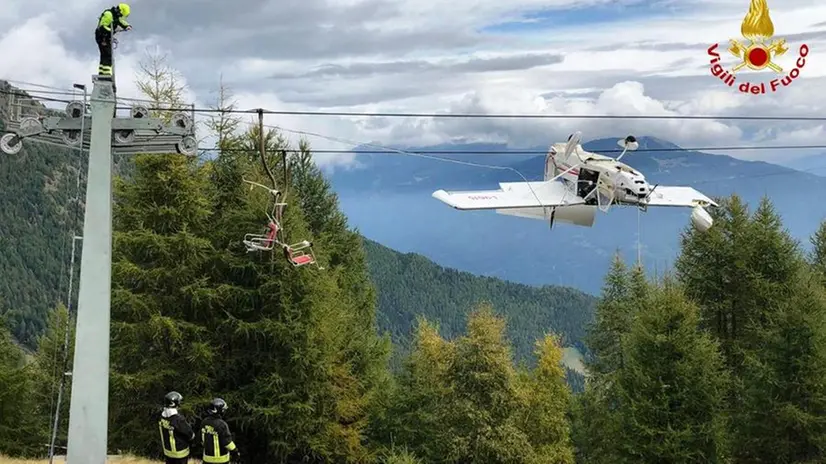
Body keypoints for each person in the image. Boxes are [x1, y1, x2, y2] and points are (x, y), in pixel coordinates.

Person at [94, 3, 132, 78]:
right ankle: (106, 75)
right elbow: (103, 27)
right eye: (121, 15)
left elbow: (120, 21)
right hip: (102, 37)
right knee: (107, 55)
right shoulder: (109, 14)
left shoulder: (115, 16)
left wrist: (127, 26)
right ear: (120, 11)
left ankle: (102, 74)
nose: (121, 16)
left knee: (105, 56)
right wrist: (112, 31)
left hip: (106, 37)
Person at [158, 391, 195, 464]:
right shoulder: (178, 419)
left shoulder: (162, 417)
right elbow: (190, 434)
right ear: (174, 403)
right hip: (180, 454)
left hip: (168, 453)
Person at [200, 398, 240, 463]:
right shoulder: (222, 425)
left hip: (206, 459)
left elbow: (201, 440)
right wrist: (235, 452)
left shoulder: (204, 422)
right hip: (221, 460)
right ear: (219, 411)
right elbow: (228, 443)